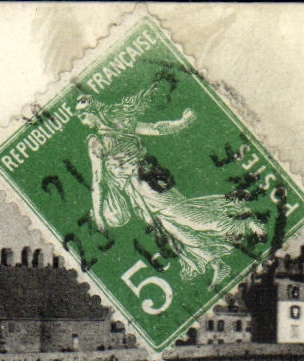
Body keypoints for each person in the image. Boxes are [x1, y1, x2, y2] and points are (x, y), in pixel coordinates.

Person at [76, 86, 264, 287]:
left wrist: (98, 217)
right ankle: (216, 263)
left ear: (93, 112)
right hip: (138, 191)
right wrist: (182, 123)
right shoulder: (117, 125)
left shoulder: (100, 139)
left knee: (185, 216)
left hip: (146, 181)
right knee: (172, 230)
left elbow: (98, 181)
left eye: (83, 116)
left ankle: (244, 222)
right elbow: (157, 128)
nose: (83, 122)